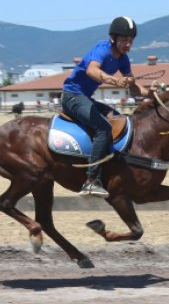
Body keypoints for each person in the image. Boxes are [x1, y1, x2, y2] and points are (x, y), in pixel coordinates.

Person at [61, 16, 142, 198]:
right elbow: (92, 70)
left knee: (118, 119)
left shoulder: (123, 59)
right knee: (103, 128)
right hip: (72, 97)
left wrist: (152, 93)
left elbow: (134, 87)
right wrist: (115, 80)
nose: (128, 44)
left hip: (85, 98)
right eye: (124, 40)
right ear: (113, 38)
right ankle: (90, 181)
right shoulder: (102, 49)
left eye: (130, 40)